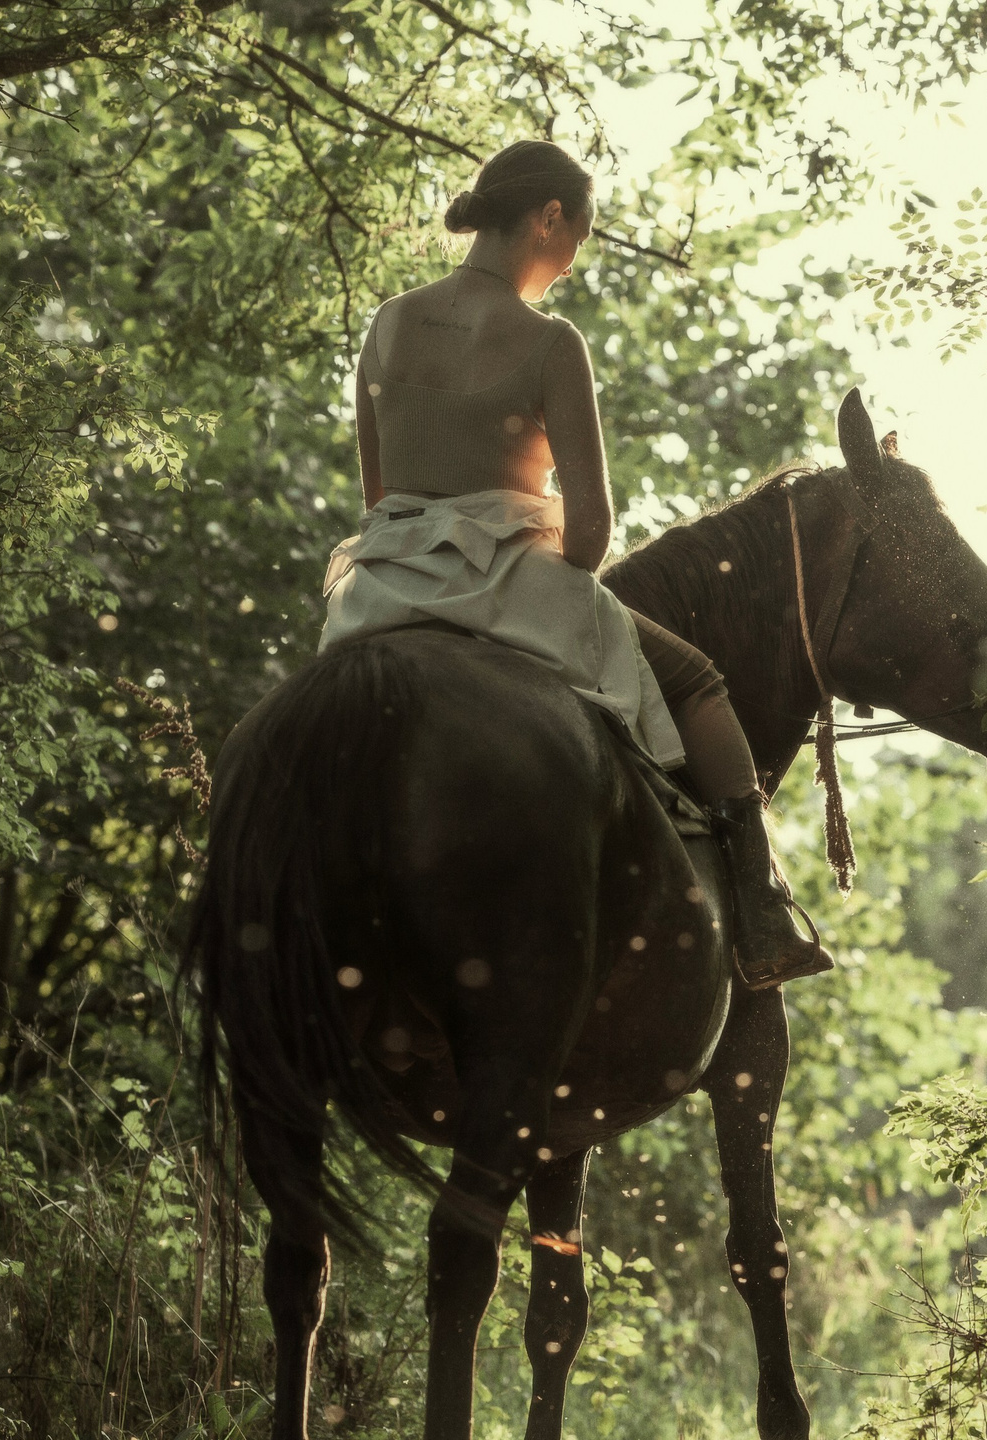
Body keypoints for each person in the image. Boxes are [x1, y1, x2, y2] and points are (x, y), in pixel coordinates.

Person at [318, 138, 831, 989]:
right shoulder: (551, 343)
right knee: (699, 682)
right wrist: (546, 564)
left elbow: (380, 496)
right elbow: (590, 531)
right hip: (510, 583)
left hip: (380, 583)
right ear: (548, 218)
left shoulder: (390, 322)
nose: (569, 267)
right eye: (577, 242)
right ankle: (760, 910)